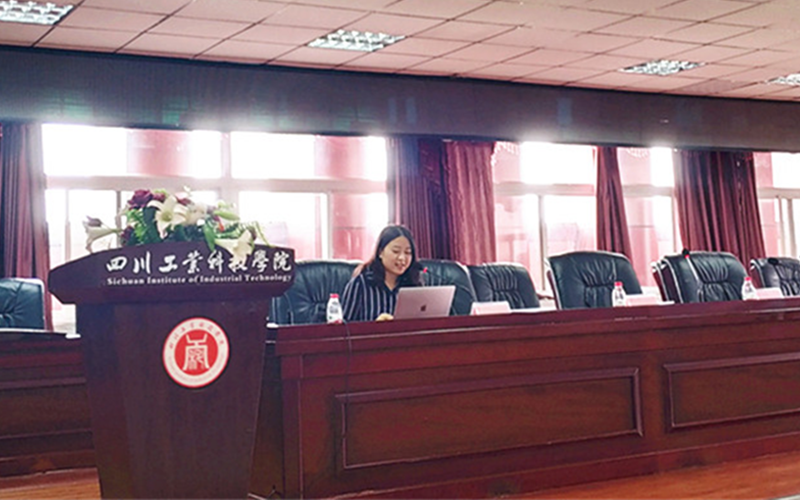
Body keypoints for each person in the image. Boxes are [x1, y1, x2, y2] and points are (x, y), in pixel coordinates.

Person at [341, 225, 423, 322]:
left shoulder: (414, 286)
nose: (402, 258)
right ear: (380, 252)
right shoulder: (360, 284)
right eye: (396, 251)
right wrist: (376, 327)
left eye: (408, 253)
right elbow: (345, 328)